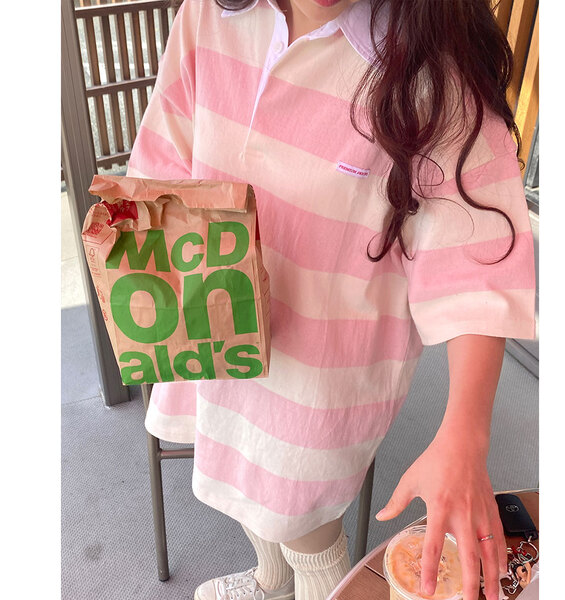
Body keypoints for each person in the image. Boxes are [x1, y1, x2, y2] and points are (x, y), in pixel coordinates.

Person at [126, 0, 536, 599]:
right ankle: (272, 582)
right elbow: (165, 152)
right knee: (242, 474)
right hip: (215, 326)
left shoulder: (432, 73)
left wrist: (465, 433)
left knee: (304, 517)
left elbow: (475, 263)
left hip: (325, 374)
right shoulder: (208, 15)